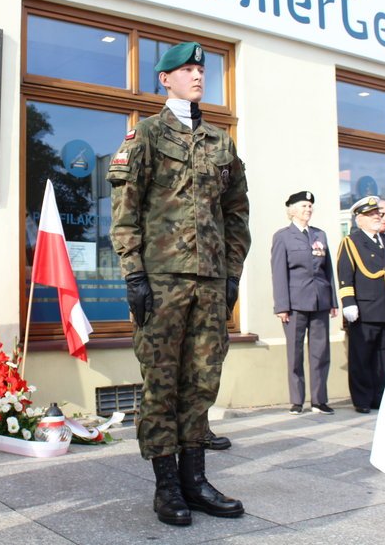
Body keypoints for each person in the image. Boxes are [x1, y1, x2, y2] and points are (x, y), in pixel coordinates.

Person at [107, 41, 250, 526]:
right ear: (164, 79)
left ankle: (196, 480)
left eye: (200, 68)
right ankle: (166, 486)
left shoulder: (220, 142)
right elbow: (125, 211)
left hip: (210, 282)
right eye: (185, 69)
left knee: (202, 381)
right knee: (161, 383)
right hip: (162, 280)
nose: (196, 75)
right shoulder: (145, 136)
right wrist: (133, 274)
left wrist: (231, 274)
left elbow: (236, 213)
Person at [336, 196, 385, 413]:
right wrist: (348, 303)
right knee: (362, 357)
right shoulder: (352, 242)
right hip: (365, 310)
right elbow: (345, 274)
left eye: (377, 213)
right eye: (371, 214)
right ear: (359, 219)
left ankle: (380, 397)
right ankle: (362, 400)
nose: (377, 216)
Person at [270, 190, 338, 416]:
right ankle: (297, 400)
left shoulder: (320, 235)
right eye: (303, 206)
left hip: (320, 301)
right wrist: (281, 306)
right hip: (295, 304)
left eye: (310, 206)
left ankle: (319, 400)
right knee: (295, 354)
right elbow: (279, 273)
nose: (307, 210)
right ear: (292, 210)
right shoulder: (283, 236)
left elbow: (328, 271)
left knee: (320, 353)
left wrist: (333, 301)